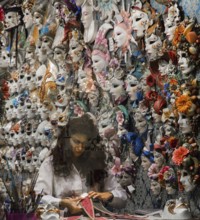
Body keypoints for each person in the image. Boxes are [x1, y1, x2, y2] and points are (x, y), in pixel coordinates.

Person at [34, 113, 127, 216]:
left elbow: (122, 197)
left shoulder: (96, 163)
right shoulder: (50, 164)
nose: (80, 148)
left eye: (85, 144)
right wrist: (62, 202)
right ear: (66, 139)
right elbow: (39, 200)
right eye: (76, 142)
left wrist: (109, 195)